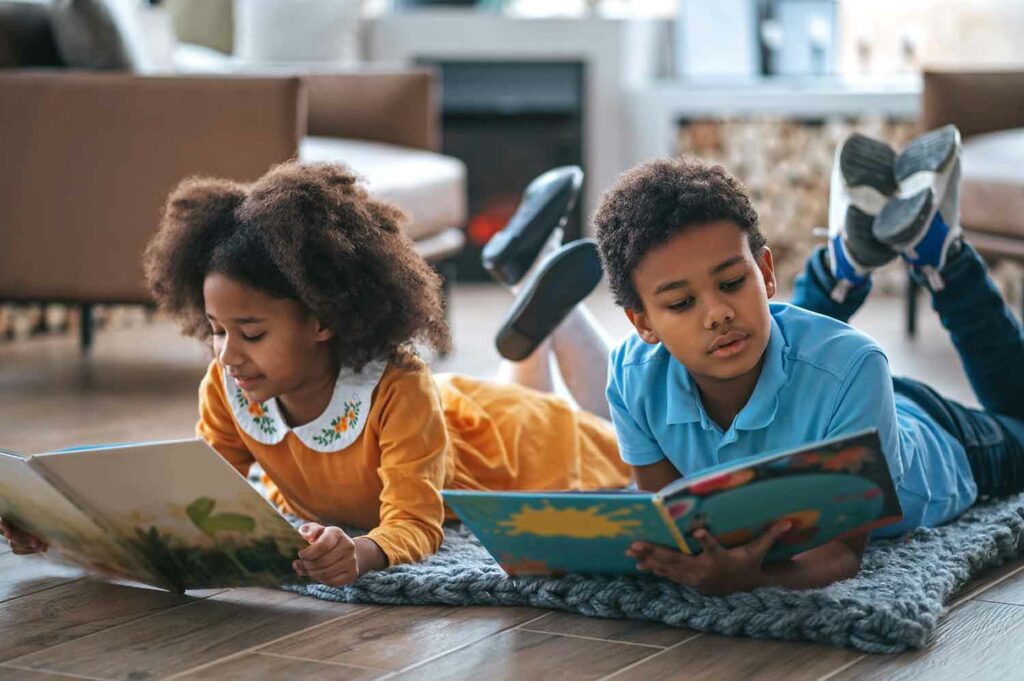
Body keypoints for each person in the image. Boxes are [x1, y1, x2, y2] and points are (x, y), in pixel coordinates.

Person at [0, 162, 630, 586]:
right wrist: (69, 530)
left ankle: (542, 281)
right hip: (457, 420)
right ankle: (535, 278)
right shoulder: (230, 384)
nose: (226, 354)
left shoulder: (396, 390)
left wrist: (363, 552)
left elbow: (416, 522)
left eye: (251, 333)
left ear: (324, 319)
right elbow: (193, 495)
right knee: (521, 385)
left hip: (513, 451)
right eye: (217, 330)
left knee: (618, 434)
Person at [589, 125, 1024, 594]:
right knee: (780, 340)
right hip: (830, 392)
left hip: (948, 440)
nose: (716, 314)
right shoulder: (632, 377)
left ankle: (941, 255)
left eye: (734, 282)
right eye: (680, 304)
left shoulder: (853, 367)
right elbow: (665, 519)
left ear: (766, 272)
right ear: (643, 323)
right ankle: (842, 264)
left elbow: (840, 552)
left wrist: (755, 579)